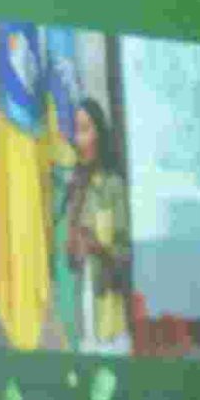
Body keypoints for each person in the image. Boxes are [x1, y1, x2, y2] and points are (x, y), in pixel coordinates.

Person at [61, 97, 131, 353]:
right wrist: (73, 247)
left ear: (99, 133)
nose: (80, 139)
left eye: (85, 129)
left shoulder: (113, 185)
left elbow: (125, 255)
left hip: (110, 315)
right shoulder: (74, 186)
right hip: (81, 313)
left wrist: (97, 247)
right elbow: (69, 260)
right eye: (76, 131)